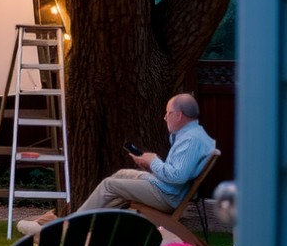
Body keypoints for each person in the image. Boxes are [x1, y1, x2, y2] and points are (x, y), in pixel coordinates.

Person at [17, 93, 216, 235]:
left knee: (109, 185)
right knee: (120, 174)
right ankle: (82, 227)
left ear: (178, 115)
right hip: (167, 188)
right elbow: (177, 173)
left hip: (168, 195)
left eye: (167, 113)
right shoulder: (194, 135)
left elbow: (177, 177)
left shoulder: (190, 140)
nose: (165, 118)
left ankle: (66, 228)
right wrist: (148, 164)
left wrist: (153, 161)